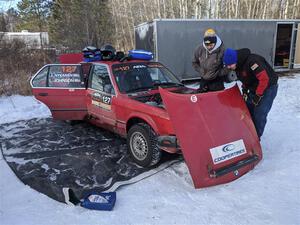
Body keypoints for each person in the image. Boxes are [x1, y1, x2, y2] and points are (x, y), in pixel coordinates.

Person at [223, 48, 278, 139]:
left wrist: (258, 95)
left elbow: (264, 79)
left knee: (259, 114)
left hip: (268, 87)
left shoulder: (253, 62)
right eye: (227, 65)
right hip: (254, 88)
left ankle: (255, 139)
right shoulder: (238, 65)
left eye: (230, 65)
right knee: (248, 111)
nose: (229, 67)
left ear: (235, 60)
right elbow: (246, 78)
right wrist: (244, 89)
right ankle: (248, 134)